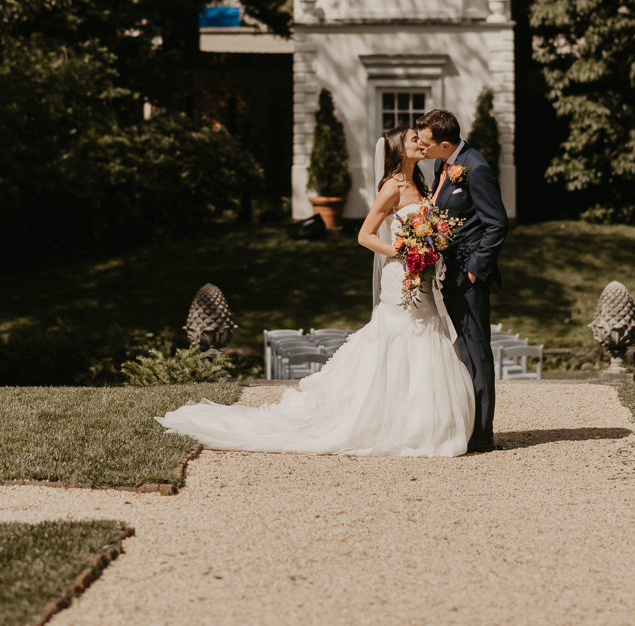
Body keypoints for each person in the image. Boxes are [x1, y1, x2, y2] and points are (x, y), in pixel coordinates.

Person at [156, 127, 474, 457]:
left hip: (419, 274)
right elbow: (365, 235)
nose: (420, 143)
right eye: (413, 139)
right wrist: (401, 251)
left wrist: (430, 245)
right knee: (401, 336)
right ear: (399, 149)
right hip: (400, 274)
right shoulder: (392, 186)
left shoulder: (422, 183)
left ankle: (419, 420)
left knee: (424, 334)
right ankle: (393, 422)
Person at [416, 108, 508, 453]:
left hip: (469, 275)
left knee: (476, 351)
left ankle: (482, 433)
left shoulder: (476, 167)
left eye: (425, 143)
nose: (420, 148)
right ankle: (465, 423)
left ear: (443, 144)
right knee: (460, 353)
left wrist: (474, 270)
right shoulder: (443, 164)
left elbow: (496, 224)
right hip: (447, 271)